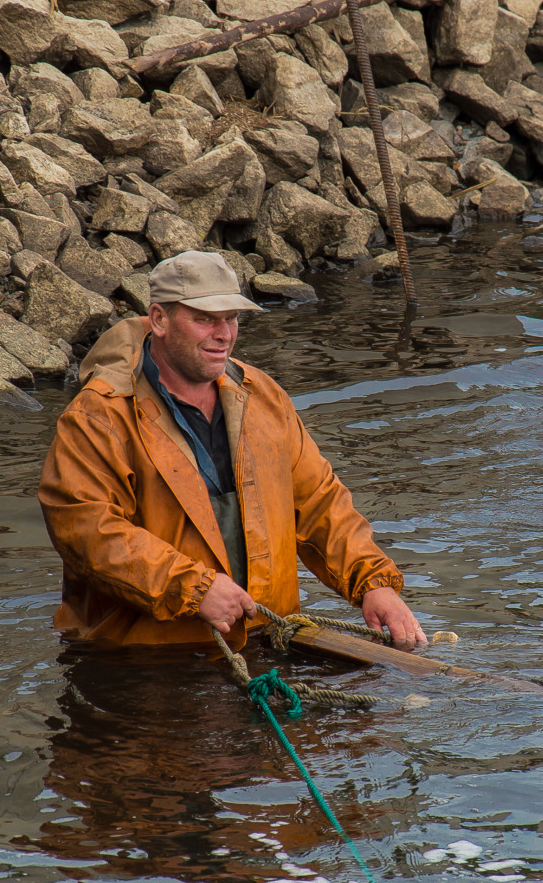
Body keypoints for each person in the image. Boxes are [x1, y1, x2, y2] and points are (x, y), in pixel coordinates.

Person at [38, 250, 427, 651]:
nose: (223, 334)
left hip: (265, 640)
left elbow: (318, 502)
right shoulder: (97, 416)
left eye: (231, 318)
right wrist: (192, 588)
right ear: (159, 320)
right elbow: (87, 531)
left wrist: (373, 584)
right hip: (142, 656)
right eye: (205, 319)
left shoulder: (263, 396)